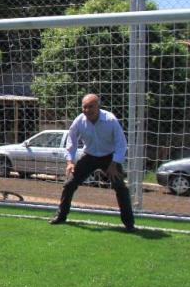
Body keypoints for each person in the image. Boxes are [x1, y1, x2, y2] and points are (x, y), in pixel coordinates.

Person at [49, 94, 135, 231]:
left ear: (98, 107)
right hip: (89, 156)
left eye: (91, 107)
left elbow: (121, 144)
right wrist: (70, 162)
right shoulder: (79, 121)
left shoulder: (110, 120)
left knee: (120, 188)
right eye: (84, 107)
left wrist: (113, 165)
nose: (87, 110)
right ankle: (61, 216)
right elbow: (71, 140)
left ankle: (129, 224)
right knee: (69, 184)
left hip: (110, 157)